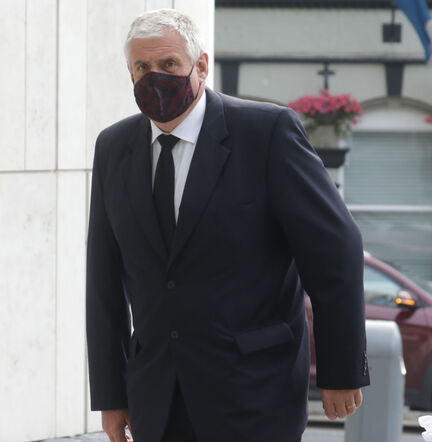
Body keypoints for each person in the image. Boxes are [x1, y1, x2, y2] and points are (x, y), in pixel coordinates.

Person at [86, 9, 369, 442]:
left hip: (254, 393)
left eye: (168, 65)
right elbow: (102, 281)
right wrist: (110, 394)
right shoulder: (113, 147)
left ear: (200, 65)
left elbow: (337, 251)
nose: (154, 78)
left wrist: (341, 369)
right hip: (157, 398)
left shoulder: (266, 133)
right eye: (142, 68)